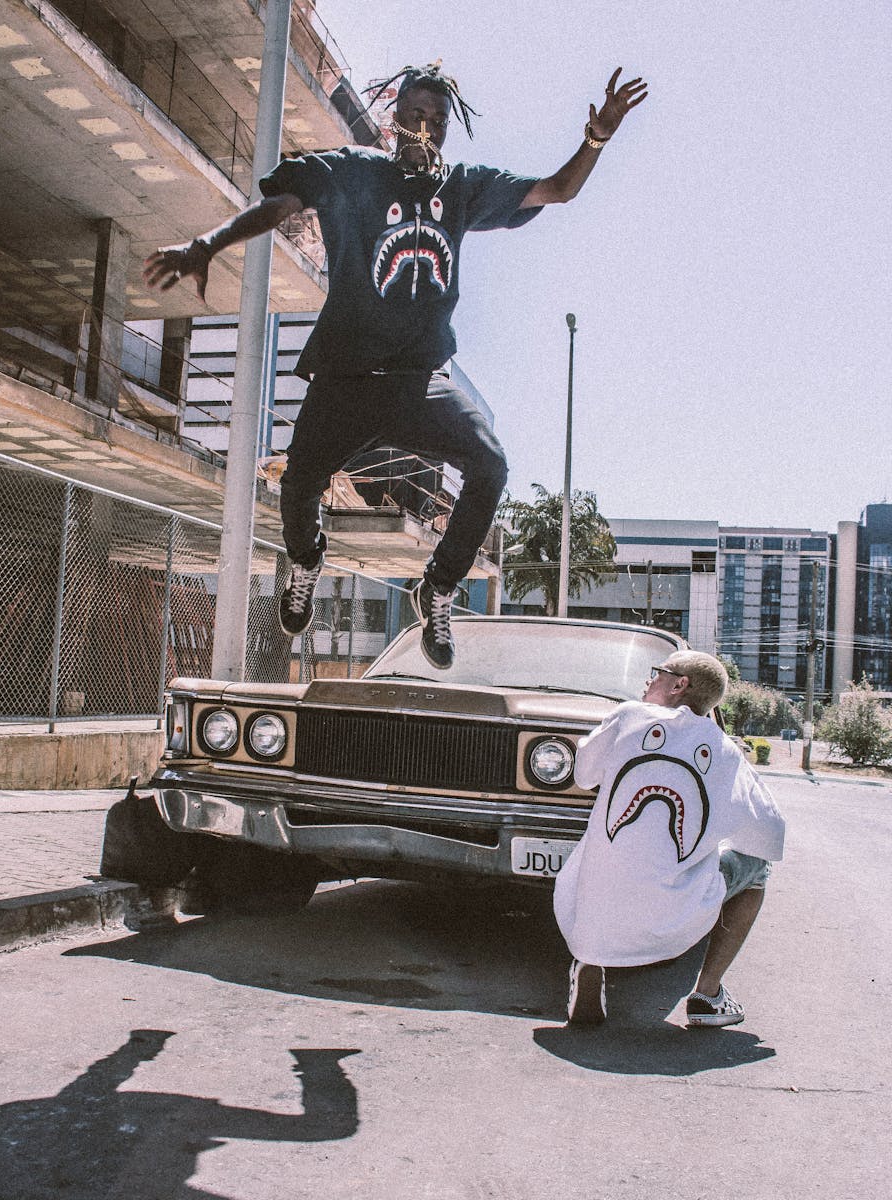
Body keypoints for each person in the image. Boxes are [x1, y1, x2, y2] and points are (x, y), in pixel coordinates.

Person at [144, 62, 647, 668]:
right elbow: (278, 206)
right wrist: (206, 245)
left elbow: (556, 190)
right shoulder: (351, 172)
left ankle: (436, 587)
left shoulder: (462, 187)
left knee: (489, 464)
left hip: (419, 383)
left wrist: (596, 139)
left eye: (437, 122)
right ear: (394, 119)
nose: (425, 130)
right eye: (415, 116)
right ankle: (305, 561)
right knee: (299, 484)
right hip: (345, 378)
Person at [552, 651, 786, 1028]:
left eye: (658, 673)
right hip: (675, 913)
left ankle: (590, 960)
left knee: (605, 856)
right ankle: (707, 996)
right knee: (758, 870)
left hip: (595, 904)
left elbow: (583, 775)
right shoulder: (725, 751)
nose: (649, 680)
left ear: (680, 685)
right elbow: (769, 834)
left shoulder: (628, 716)